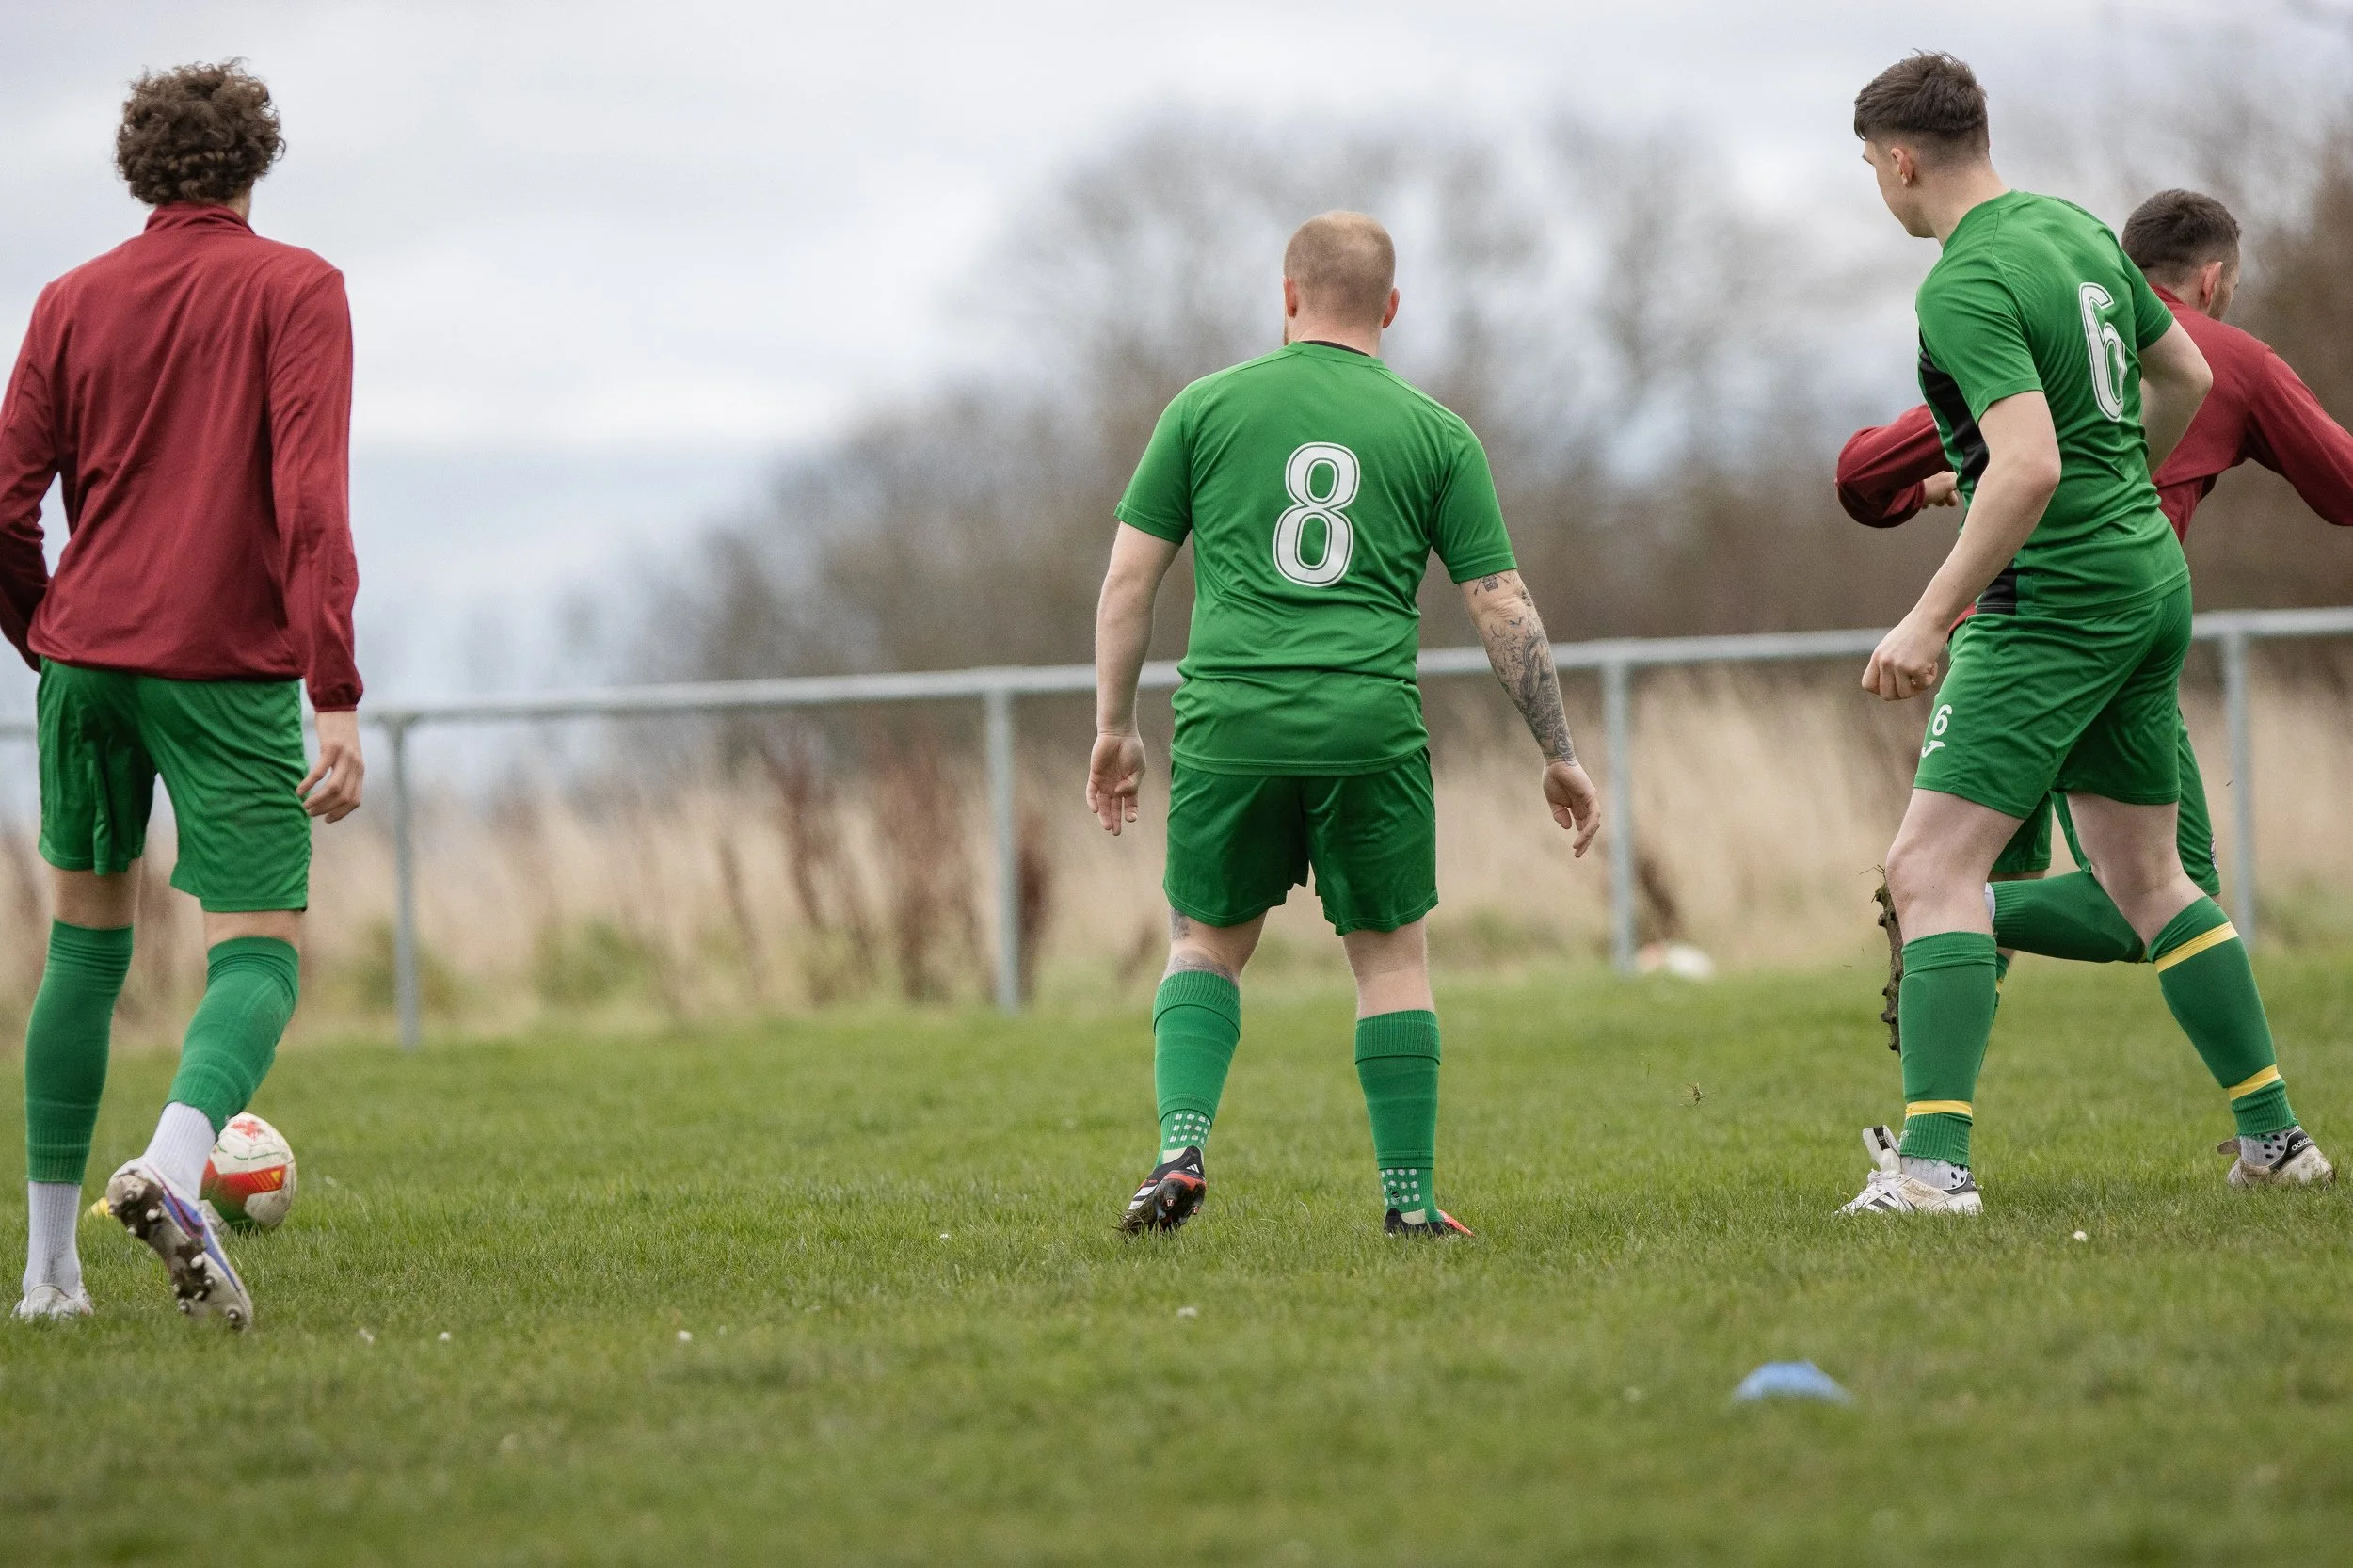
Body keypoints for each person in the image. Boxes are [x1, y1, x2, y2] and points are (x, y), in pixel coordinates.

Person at [1840, 54, 2329, 1216]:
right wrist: (2117, 487)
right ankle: (2276, 1140)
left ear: (1901, 159)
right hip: (2145, 580)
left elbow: (2028, 463)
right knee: (2151, 879)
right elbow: (2186, 370)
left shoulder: (1960, 284)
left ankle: (1933, 1172)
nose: (1876, 184)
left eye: (1868, 165)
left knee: (1927, 871)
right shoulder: (2066, 227)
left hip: (2053, 605)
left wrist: (1928, 611)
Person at [1089, 211, 1601, 1238]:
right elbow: (1501, 603)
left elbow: (1127, 582)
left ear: (1287, 297)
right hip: (1367, 726)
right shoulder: (1435, 433)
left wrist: (1116, 726)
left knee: (1204, 947)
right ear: (1392, 308)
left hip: (1231, 719)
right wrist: (1558, 751)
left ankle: (1180, 1148)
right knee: (1392, 963)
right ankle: (1407, 1206)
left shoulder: (1202, 409)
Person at [0, 62, 366, 1325]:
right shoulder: (297, 288)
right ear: (255, 165)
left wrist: (43, 637)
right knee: (259, 949)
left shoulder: (67, 300)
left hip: (87, 655)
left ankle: (49, 1278)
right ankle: (171, 1164)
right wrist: (338, 695)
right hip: (224, 666)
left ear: (140, 171)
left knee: (84, 952)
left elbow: (4, 501)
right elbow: (312, 503)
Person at [1839, 189, 2353, 949]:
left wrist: (1926, 488)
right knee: (2166, 899)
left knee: (1964, 878)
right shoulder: (2231, 360)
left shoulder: (2051, 339)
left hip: (2002, 641)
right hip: (2112, 638)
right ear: (2211, 281)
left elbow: (1861, 473)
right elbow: (2342, 489)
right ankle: (1945, 909)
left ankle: (1939, 935)